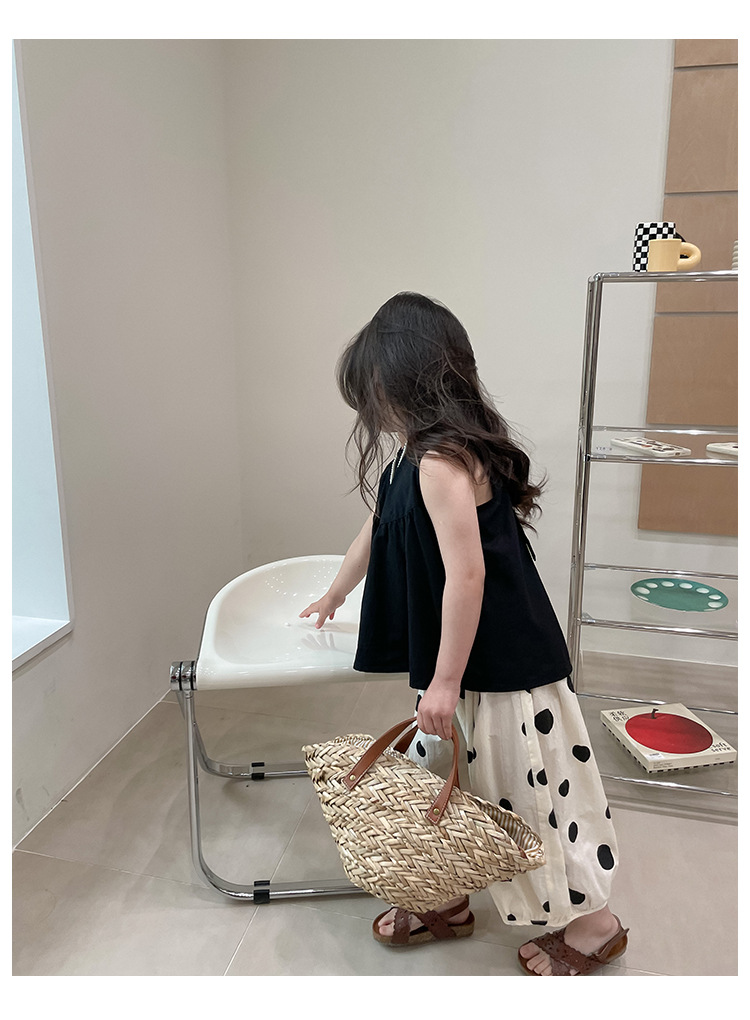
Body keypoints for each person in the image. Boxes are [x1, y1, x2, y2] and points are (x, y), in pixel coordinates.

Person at [299, 292, 628, 976]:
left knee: (529, 797)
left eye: (375, 392)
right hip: (464, 663)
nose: (372, 408)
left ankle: (596, 925)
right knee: (450, 785)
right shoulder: (411, 457)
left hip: (500, 666)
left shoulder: (442, 462)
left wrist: (445, 681)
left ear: (410, 382)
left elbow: (467, 576)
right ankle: (447, 898)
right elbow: (376, 529)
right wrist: (336, 590)